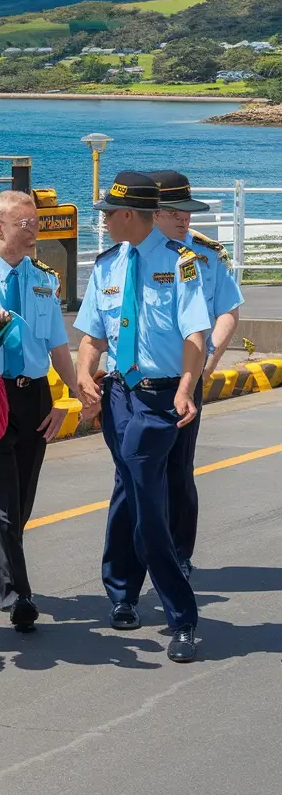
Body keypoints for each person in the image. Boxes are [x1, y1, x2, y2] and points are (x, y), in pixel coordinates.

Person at [74, 171, 210, 663]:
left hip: (161, 400)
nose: (103, 221)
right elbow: (92, 335)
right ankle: (123, 594)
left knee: (146, 500)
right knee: (129, 489)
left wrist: (189, 391)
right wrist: (85, 376)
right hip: (118, 396)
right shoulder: (107, 265)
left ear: (130, 215)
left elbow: (197, 335)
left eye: (108, 214)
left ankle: (183, 617)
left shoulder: (182, 264)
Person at [0, 190, 80, 632]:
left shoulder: (45, 279)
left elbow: (57, 346)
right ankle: (18, 597)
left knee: (22, 504)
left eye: (35, 222)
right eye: (22, 223)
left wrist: (72, 395)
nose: (32, 230)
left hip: (35, 398)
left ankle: (10, 570)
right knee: (3, 509)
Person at [150, 170, 243, 573]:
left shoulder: (208, 255)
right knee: (135, 474)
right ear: (152, 214)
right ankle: (143, 551)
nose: (184, 219)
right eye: (174, 212)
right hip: (143, 378)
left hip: (190, 376)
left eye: (187, 212)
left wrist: (210, 360)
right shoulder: (133, 255)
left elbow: (227, 309)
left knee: (179, 468)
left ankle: (179, 554)